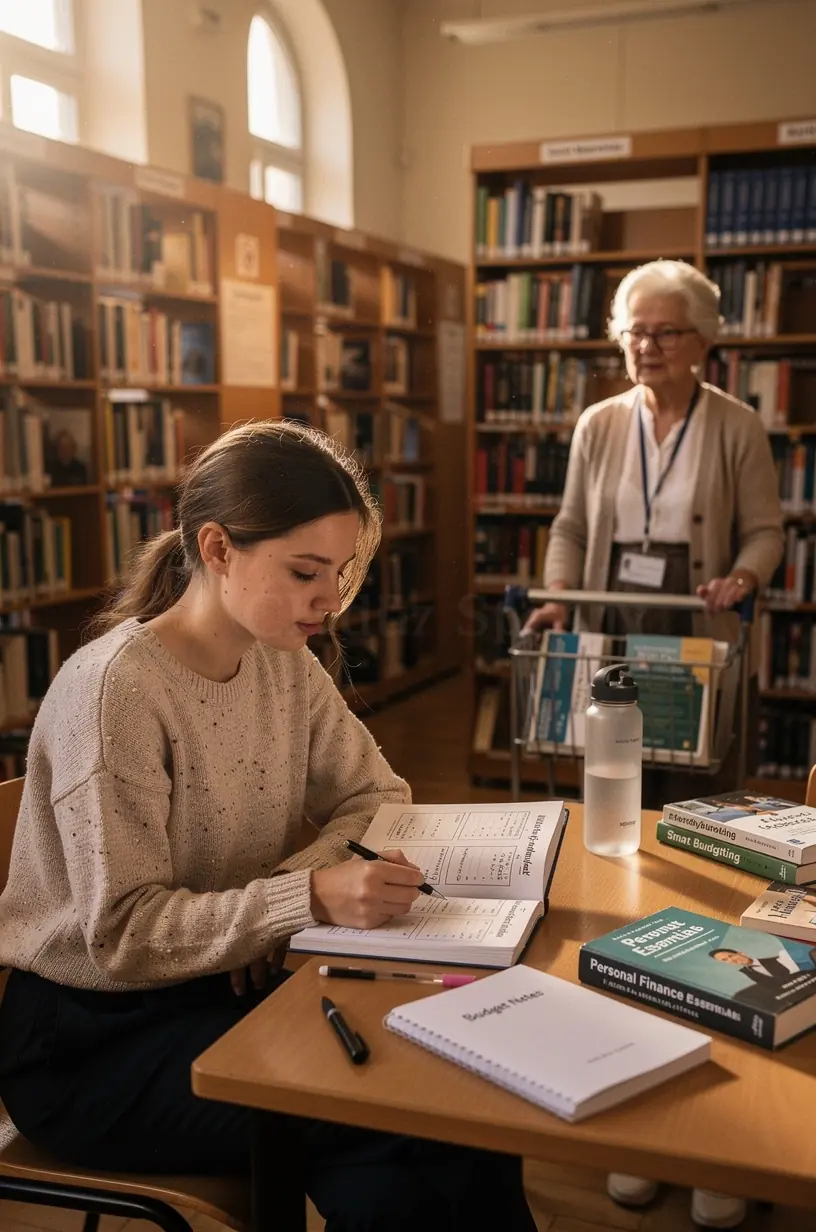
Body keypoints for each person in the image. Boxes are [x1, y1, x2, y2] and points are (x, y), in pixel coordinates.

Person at [0, 420, 536, 1232]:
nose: (331, 600)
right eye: (305, 572)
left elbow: (376, 795)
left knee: (451, 1089)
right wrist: (303, 901)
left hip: (218, 983)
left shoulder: (284, 658)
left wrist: (278, 899)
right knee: (393, 1115)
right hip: (88, 1042)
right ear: (217, 549)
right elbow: (123, 936)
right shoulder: (117, 694)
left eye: (340, 573)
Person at [527, 260, 785, 1231]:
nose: (646, 346)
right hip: (615, 653)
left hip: (699, 657)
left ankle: (720, 1130)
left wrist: (741, 578)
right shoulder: (599, 424)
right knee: (621, 868)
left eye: (666, 331)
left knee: (708, 872)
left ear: (704, 340)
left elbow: (766, 532)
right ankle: (640, 1113)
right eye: (633, 330)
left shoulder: (737, 425)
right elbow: (568, 526)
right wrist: (559, 595)